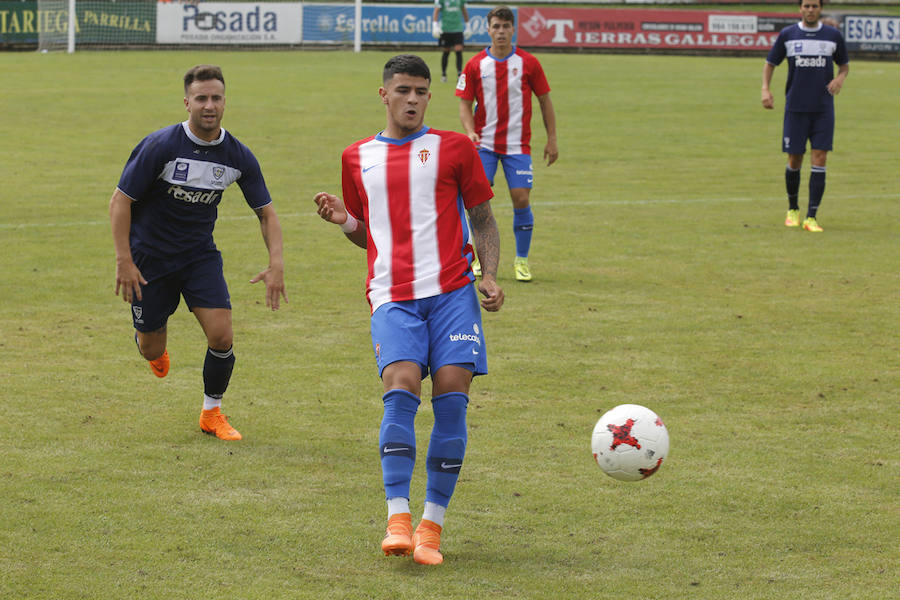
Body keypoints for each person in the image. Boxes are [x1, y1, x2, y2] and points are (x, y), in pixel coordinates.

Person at [313, 54, 504, 565]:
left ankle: (432, 526)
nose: (413, 99)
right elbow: (366, 234)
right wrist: (344, 222)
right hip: (392, 295)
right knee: (400, 388)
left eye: (421, 91)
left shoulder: (455, 149)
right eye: (403, 90)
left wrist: (489, 273)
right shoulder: (357, 158)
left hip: (452, 293)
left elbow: (483, 218)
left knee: (451, 394)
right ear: (384, 95)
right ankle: (397, 516)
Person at [110, 64, 287, 441]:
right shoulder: (160, 146)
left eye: (217, 98)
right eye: (202, 98)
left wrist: (276, 263)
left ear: (225, 103)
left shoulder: (237, 155)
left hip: (198, 257)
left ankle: (212, 413)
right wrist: (124, 259)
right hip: (149, 260)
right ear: (187, 102)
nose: (210, 105)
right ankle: (148, 339)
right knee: (150, 348)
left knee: (222, 336)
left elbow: (266, 213)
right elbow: (120, 201)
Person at [456, 5, 558, 282]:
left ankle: (521, 261)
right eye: (496, 27)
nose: (500, 31)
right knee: (476, 202)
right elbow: (464, 103)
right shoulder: (476, 64)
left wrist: (552, 139)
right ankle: (476, 259)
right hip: (484, 144)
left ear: (513, 29)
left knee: (521, 198)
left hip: (517, 145)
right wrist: (469, 132)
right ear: (488, 30)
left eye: (505, 26)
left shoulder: (529, 63)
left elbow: (544, 101)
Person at [762, 0, 849, 233]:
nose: (810, 10)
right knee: (795, 160)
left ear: (821, 9)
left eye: (814, 6)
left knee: (820, 158)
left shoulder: (832, 36)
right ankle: (793, 209)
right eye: (806, 6)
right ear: (800, 8)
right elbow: (770, 63)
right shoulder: (788, 34)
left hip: (823, 109)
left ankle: (812, 217)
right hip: (796, 109)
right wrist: (765, 89)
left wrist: (840, 78)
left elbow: (844, 66)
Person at [432, 0, 469, 83]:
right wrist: (435, 25)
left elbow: (464, 10)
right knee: (446, 51)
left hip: (458, 29)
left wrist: (468, 25)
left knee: (458, 51)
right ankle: (444, 74)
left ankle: (459, 75)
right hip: (446, 29)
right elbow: (436, 11)